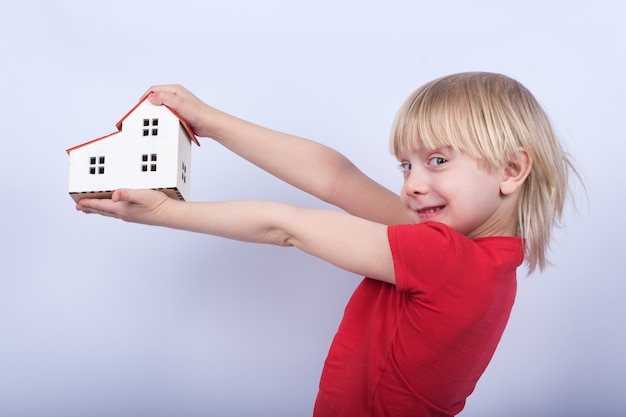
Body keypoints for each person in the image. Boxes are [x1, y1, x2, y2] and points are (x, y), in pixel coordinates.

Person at [76, 72, 576, 416]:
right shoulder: (478, 259)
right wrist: (209, 121)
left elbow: (286, 225)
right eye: (407, 165)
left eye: (438, 161)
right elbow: (337, 179)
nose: (412, 185)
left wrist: (166, 213)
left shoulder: (444, 258)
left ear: (512, 170)